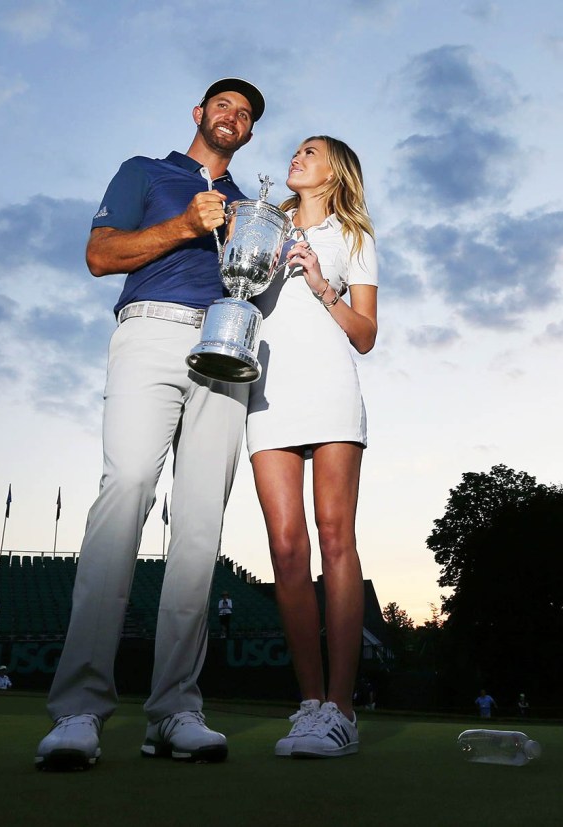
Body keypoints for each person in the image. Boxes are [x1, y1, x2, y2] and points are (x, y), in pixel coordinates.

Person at [35, 78, 265, 771]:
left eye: (246, 114)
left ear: (249, 134)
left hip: (229, 345)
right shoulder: (146, 171)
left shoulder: (255, 207)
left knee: (199, 524)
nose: (233, 116)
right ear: (199, 115)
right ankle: (79, 708)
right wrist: (184, 226)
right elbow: (101, 256)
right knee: (128, 487)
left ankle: (175, 710)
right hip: (153, 333)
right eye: (223, 105)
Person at [246, 136, 378, 758]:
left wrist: (323, 285)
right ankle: (307, 706)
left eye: (310, 152)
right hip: (266, 393)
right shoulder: (260, 225)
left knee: (335, 535)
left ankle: (343, 710)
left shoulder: (356, 238)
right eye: (295, 151)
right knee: (285, 546)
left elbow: (367, 335)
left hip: (329, 392)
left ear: (335, 171)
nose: (295, 157)